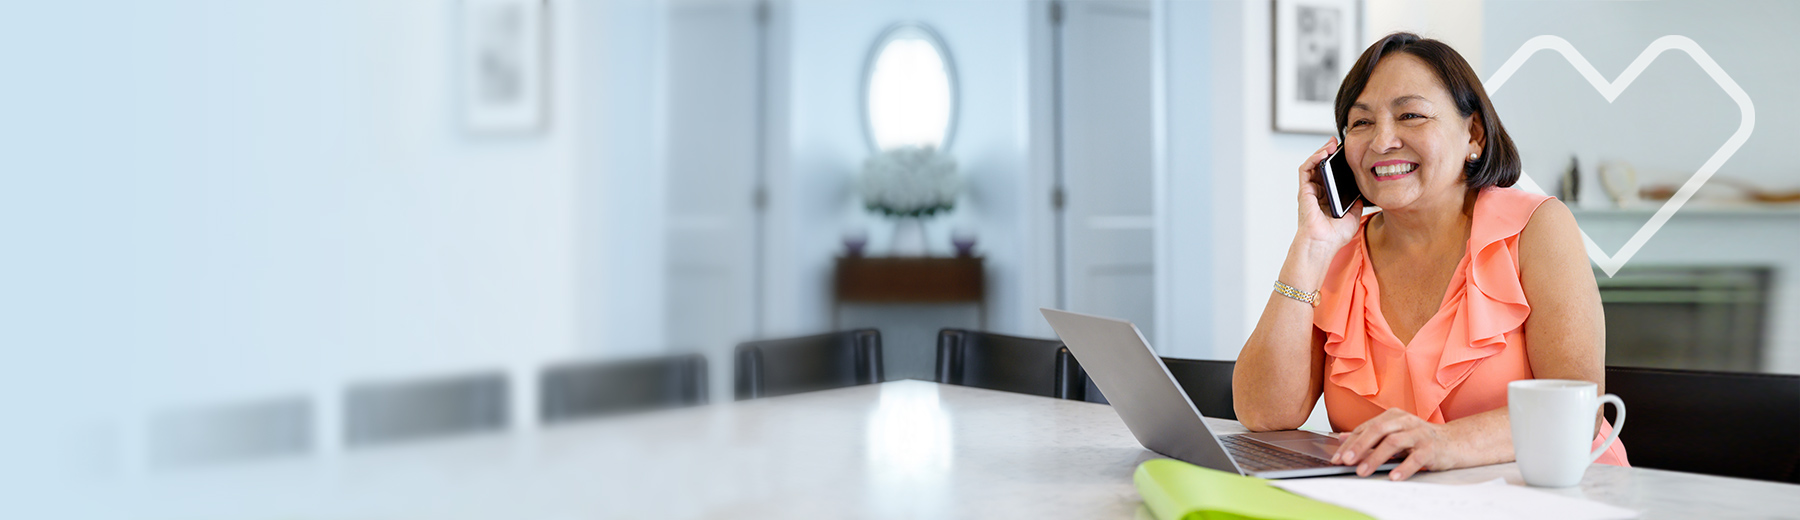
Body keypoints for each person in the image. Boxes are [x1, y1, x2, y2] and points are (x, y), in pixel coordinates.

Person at [1231, 32, 1628, 482]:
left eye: (1410, 115)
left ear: (1473, 134)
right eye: (1361, 124)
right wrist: (1310, 247)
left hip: (1557, 496)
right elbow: (1263, 412)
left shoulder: (1537, 227)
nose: (1382, 142)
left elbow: (1578, 410)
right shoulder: (1338, 252)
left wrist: (1445, 442)